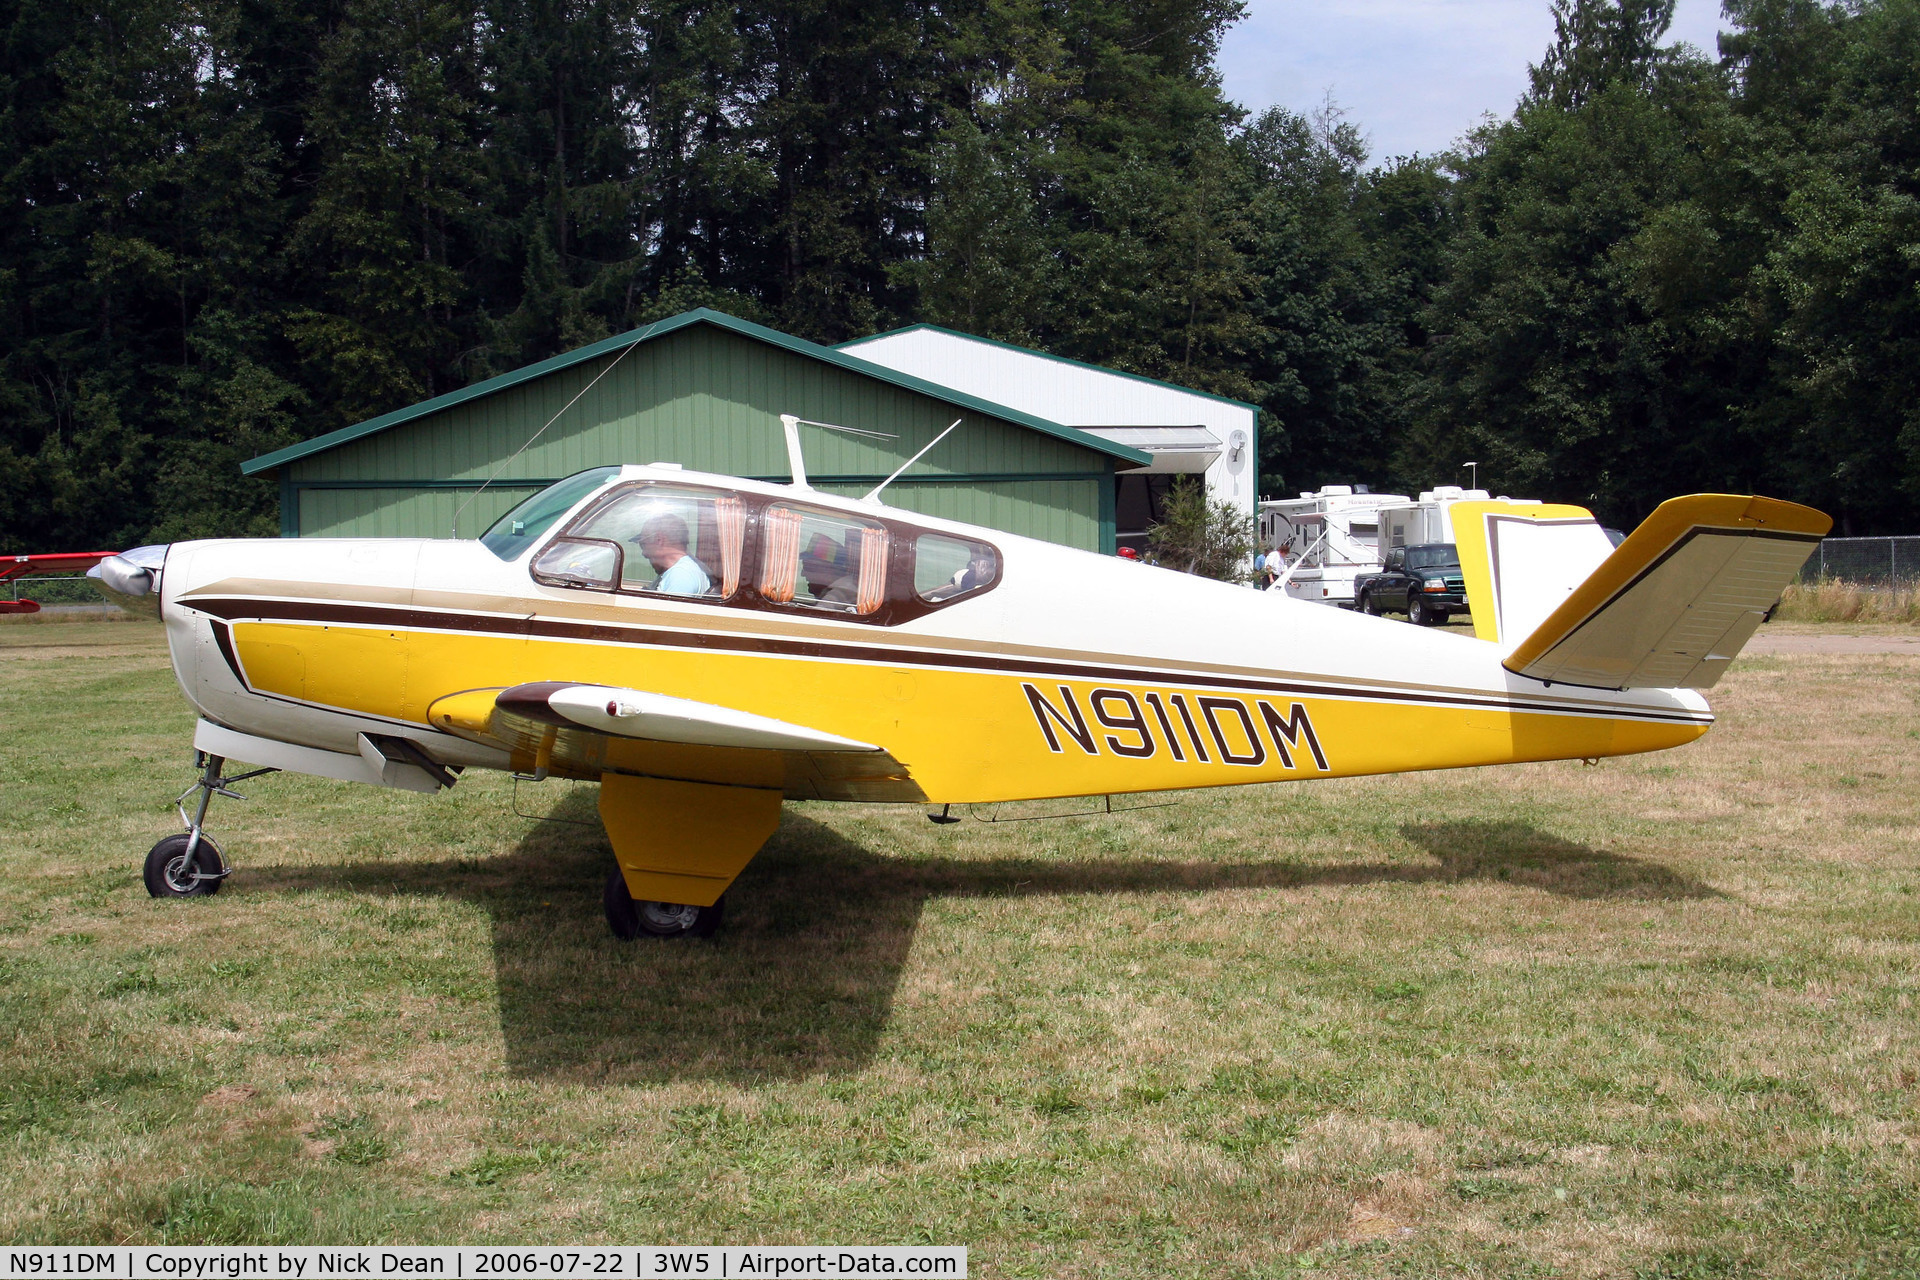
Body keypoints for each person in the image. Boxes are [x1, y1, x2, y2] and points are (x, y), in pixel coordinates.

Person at [635, 512, 711, 595]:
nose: (644, 554)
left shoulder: (681, 575)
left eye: (643, 545)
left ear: (659, 540)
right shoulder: (676, 571)